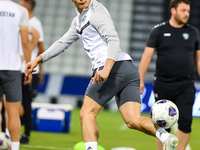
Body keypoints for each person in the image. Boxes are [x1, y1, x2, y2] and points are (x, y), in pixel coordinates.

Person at [25, 0, 179, 150]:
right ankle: (165, 137)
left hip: (111, 68)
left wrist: (106, 68)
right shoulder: (78, 20)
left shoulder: (96, 13)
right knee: (133, 120)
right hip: (126, 68)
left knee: (86, 113)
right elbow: (62, 42)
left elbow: (113, 39)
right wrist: (38, 59)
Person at [138, 0, 200, 150]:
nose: (187, 14)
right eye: (183, 10)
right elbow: (146, 57)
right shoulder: (158, 31)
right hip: (163, 84)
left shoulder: (193, 33)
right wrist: (139, 79)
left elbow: (198, 60)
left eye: (188, 11)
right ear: (173, 10)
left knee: (185, 121)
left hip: (186, 85)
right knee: (162, 123)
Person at [0, 0, 32, 150]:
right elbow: (25, 42)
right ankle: (15, 147)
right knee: (13, 111)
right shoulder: (20, 10)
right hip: (11, 67)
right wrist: (28, 66)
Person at [19, 0, 45, 144]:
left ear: (26, 6)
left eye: (21, 3)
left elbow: (41, 49)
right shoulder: (18, 20)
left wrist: (40, 69)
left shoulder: (35, 23)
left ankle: (26, 134)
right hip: (15, 67)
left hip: (29, 70)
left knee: (26, 103)